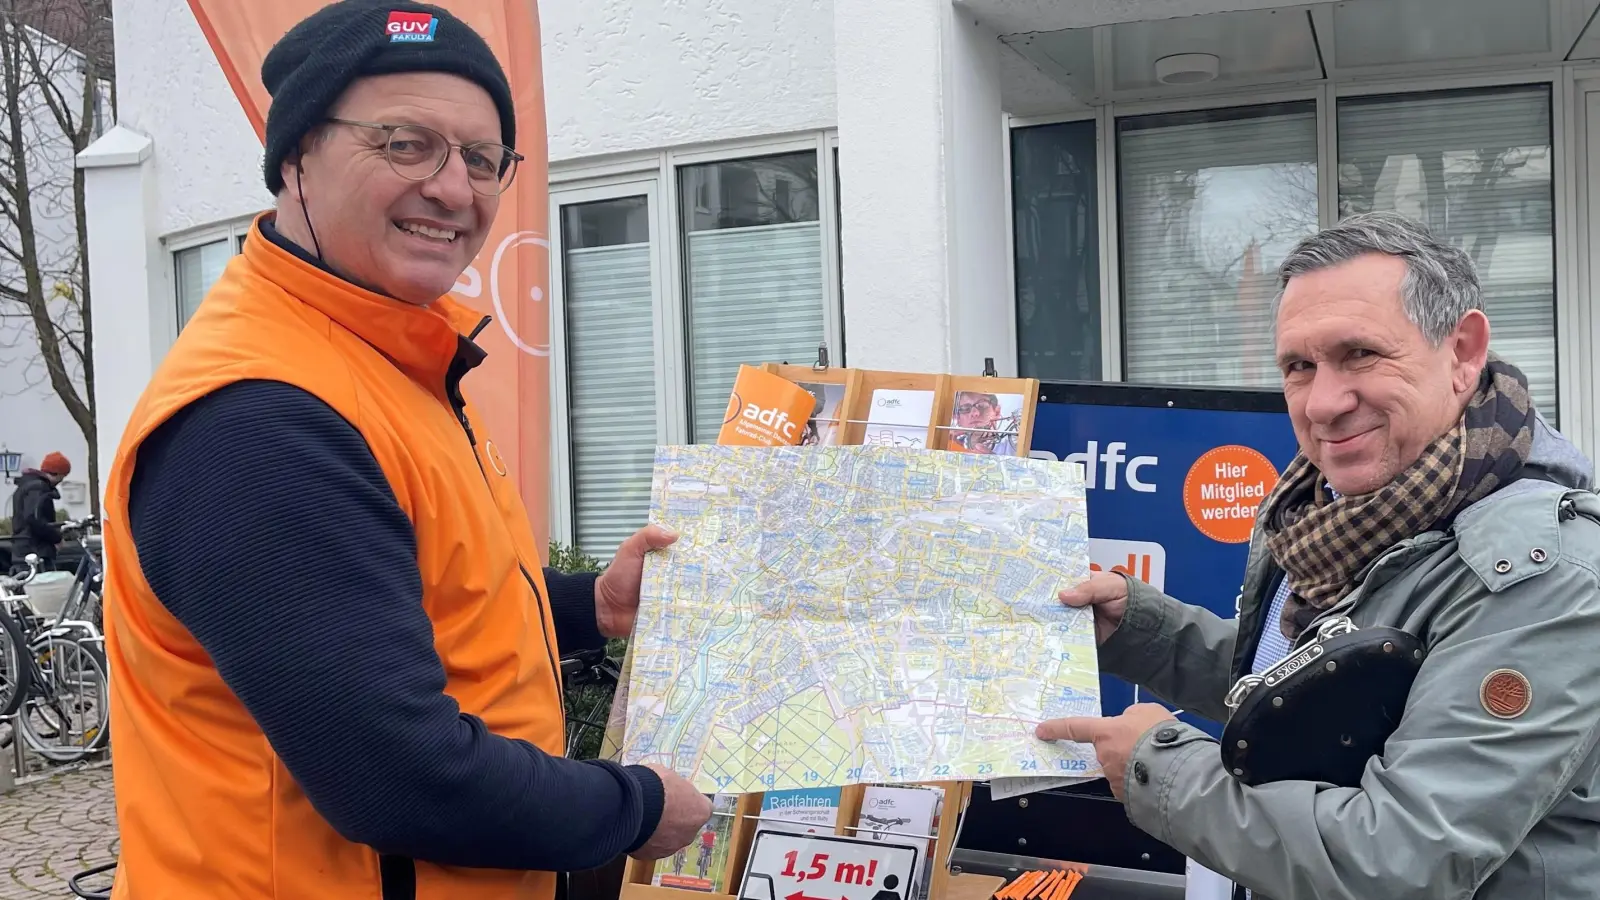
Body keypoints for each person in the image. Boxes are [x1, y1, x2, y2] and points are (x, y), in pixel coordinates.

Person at [100, 2, 710, 898]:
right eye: (404, 144)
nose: (455, 190)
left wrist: (588, 608)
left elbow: (409, 606)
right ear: (296, 156)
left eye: (481, 158)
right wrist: (636, 808)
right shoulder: (262, 418)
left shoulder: (387, 358)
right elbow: (394, 773)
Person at [1035, 211, 1600, 900]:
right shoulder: (1318, 511)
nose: (1324, 403)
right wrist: (1142, 631)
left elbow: (1401, 860)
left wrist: (1164, 772)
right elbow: (1305, 698)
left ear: (1462, 352)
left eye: (1360, 354)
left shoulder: (1544, 573)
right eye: (1299, 366)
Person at [10, 451, 69, 571]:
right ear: (58, 474)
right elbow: (34, 518)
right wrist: (56, 538)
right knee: (45, 588)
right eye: (62, 476)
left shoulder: (25, 486)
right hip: (36, 550)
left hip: (23, 549)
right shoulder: (38, 488)